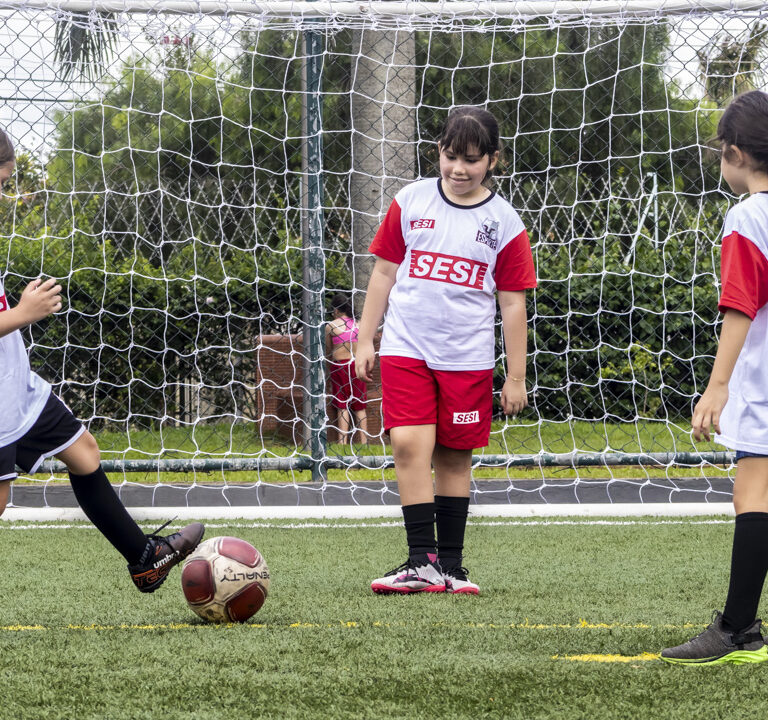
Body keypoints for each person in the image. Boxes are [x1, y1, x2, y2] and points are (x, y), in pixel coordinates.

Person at [0, 127, 204, 593]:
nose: (4, 193)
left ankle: (144, 559)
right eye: (0, 181)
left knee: (84, 451)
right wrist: (23, 313)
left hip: (14, 386)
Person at [355, 106, 536, 595]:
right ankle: (421, 561)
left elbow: (513, 304)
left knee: (455, 457)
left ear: (493, 161)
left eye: (471, 160)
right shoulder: (411, 201)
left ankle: (452, 567)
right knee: (409, 445)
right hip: (405, 348)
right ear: (438, 153)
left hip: (467, 358)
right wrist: (365, 337)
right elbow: (384, 273)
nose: (458, 169)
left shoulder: (504, 223)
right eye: (450, 156)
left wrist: (515, 377)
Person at [661, 90, 768, 665]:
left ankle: (738, 629)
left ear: (733, 153)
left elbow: (741, 305)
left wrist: (718, 383)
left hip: (765, 382)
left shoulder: (748, 215)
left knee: (754, 494)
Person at [326, 293, 368, 445]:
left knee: (342, 404)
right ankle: (364, 441)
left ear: (336, 310)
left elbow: (329, 350)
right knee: (359, 404)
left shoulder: (331, 326)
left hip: (339, 366)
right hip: (356, 364)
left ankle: (342, 441)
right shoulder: (359, 325)